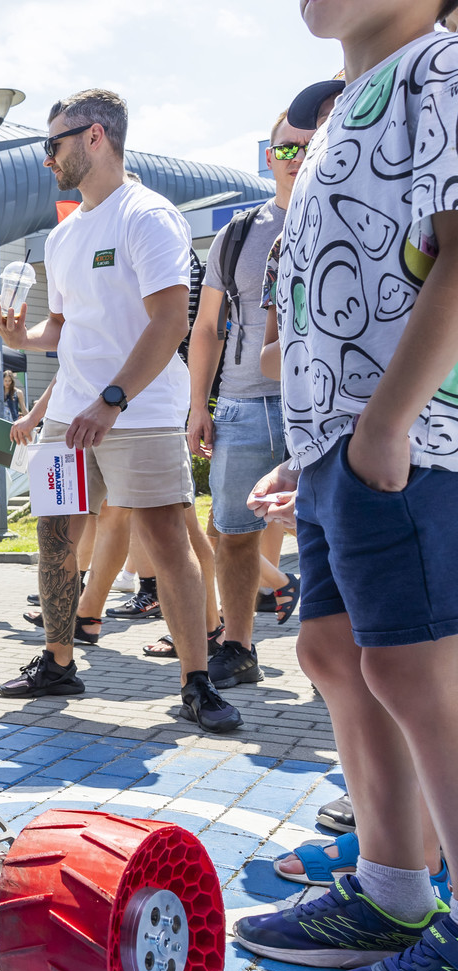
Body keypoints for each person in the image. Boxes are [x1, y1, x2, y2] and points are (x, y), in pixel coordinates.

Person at [235, 3, 458, 971]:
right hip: (345, 439)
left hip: (412, 438)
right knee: (332, 649)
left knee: (418, 670)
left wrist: (388, 421)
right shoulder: (339, 111)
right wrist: (314, 442)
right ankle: (391, 890)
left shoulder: (440, 67)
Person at [0, 88, 240, 733]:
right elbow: (64, 327)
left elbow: (170, 321)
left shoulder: (147, 215)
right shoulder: (63, 234)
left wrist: (112, 399)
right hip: (70, 416)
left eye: (53, 143)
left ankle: (197, 681)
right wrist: (23, 337)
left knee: (165, 539)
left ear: (94, 136)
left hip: (139, 411)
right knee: (55, 535)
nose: (47, 157)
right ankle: (58, 660)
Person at [183, 111, 312, 688]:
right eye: (286, 148)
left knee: (332, 533)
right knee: (232, 533)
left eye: (308, 146)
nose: (297, 157)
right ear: (269, 156)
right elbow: (207, 326)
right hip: (243, 404)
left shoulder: (344, 211)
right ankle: (238, 647)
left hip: (327, 404)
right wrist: (199, 406)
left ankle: (337, 657)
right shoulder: (239, 232)